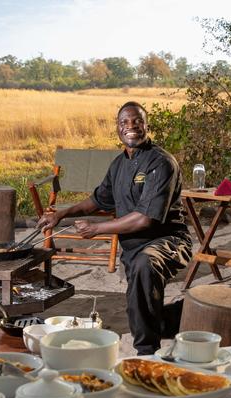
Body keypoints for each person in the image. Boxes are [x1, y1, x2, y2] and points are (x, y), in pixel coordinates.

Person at [37, 101, 192, 355]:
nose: (131, 127)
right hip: (134, 244)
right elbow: (97, 200)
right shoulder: (119, 164)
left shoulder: (161, 163)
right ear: (117, 128)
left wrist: (97, 229)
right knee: (140, 308)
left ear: (146, 125)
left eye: (137, 121)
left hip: (167, 241)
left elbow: (145, 219)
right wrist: (60, 215)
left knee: (145, 268)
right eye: (124, 122)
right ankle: (187, 314)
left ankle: (145, 355)